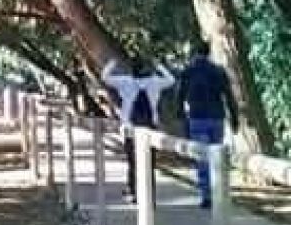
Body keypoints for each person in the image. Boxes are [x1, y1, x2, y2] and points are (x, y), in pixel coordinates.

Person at [176, 40, 240, 209]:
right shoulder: (218, 71)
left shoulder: (188, 72)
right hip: (217, 117)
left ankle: (207, 195)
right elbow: (229, 96)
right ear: (209, 52)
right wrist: (234, 117)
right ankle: (219, 191)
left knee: (202, 158)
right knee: (216, 156)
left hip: (197, 118)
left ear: (195, 53)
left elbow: (180, 96)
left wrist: (180, 116)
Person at [102, 58, 176, 204]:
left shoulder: (125, 81)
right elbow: (171, 80)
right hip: (150, 128)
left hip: (130, 129)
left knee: (133, 162)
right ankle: (150, 196)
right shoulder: (155, 82)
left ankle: (135, 192)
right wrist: (159, 66)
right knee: (150, 164)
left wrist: (112, 64)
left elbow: (105, 77)